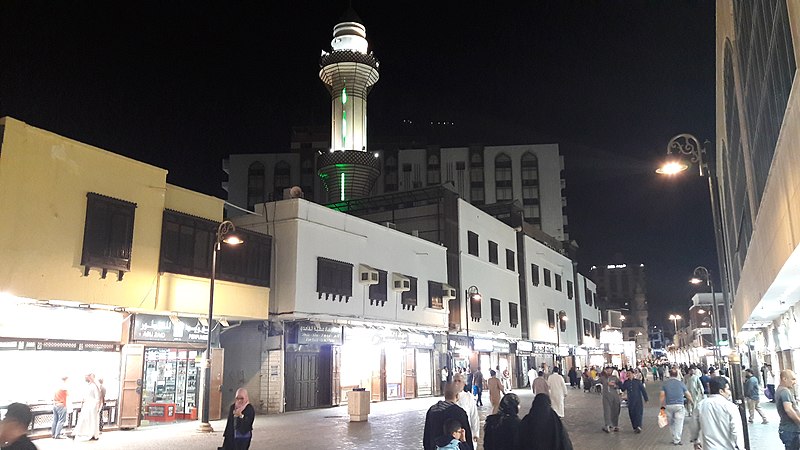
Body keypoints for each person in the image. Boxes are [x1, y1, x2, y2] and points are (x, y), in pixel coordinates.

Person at [689, 377, 744, 450]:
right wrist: (740, 447)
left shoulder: (701, 405)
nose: (729, 392)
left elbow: (694, 426)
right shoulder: (731, 407)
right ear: (721, 391)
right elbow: (736, 431)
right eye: (727, 389)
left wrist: (695, 440)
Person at [423, 383, 474, 450]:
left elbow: (426, 436)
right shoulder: (459, 412)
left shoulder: (432, 410)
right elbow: (467, 437)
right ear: (457, 396)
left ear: (444, 395)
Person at [660, 366, 693, 446]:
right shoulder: (680, 383)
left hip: (669, 406)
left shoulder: (665, 384)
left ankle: (674, 437)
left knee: (671, 423)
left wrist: (662, 406)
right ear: (677, 374)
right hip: (679, 406)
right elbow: (687, 394)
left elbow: (662, 395)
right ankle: (677, 440)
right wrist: (692, 401)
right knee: (679, 423)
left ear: (670, 374)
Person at [452, 373, 479, 445]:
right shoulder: (450, 397)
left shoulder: (468, 397)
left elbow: (474, 416)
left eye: (459, 381)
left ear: (464, 383)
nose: (457, 383)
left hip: (466, 431)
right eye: (455, 381)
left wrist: (475, 433)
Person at [71, 373, 100, 441]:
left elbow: (97, 398)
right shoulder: (88, 385)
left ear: (89, 377)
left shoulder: (94, 386)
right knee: (84, 419)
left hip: (92, 406)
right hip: (86, 405)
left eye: (86, 377)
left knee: (91, 420)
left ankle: (92, 433)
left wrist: (94, 406)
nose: (85, 378)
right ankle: (81, 432)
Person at [776, 369, 800, 450]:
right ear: (784, 379)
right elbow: (788, 409)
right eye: (793, 379)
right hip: (790, 430)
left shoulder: (780, 389)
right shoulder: (784, 391)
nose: (794, 382)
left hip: (788, 429)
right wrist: (798, 421)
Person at [622, 369, 648, 433]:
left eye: (629, 373)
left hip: (638, 400)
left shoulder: (637, 382)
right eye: (627, 373)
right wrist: (618, 384)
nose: (628, 374)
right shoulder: (626, 382)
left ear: (633, 374)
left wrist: (646, 398)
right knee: (632, 414)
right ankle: (635, 426)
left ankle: (639, 426)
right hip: (630, 401)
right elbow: (623, 389)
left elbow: (643, 390)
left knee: (638, 413)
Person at [599, 365, 622, 433]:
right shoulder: (602, 378)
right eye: (607, 370)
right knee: (607, 411)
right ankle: (607, 425)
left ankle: (615, 425)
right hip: (606, 397)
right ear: (605, 371)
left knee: (615, 410)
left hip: (615, 397)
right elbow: (595, 382)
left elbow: (620, 385)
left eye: (610, 370)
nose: (609, 371)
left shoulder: (615, 378)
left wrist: (615, 386)